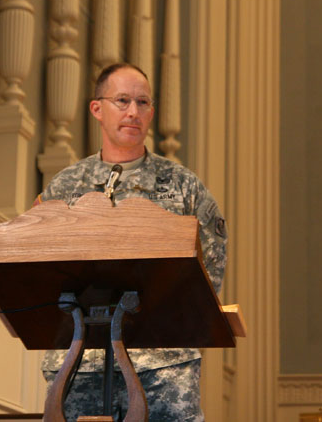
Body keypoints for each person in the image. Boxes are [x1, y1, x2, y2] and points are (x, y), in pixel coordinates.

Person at [36, 63, 227, 421]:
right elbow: (38, 262)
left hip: (163, 366)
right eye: (122, 100)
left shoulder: (183, 187)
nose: (133, 112)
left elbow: (210, 271)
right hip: (80, 364)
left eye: (142, 103)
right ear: (97, 108)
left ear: (152, 112)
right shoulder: (65, 186)